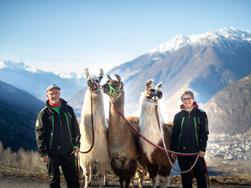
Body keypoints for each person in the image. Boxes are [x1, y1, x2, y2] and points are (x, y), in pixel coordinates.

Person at [35, 84, 80, 188]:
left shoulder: (69, 110)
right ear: (47, 96)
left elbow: (76, 129)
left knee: (73, 180)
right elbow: (39, 134)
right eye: (51, 94)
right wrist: (43, 153)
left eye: (56, 93)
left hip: (69, 152)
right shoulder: (43, 113)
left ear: (60, 94)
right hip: (52, 154)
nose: (54, 96)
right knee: (54, 181)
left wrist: (77, 145)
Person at [171, 90, 209, 188]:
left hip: (197, 153)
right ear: (182, 101)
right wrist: (173, 150)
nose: (187, 101)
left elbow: (204, 133)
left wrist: (202, 149)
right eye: (184, 99)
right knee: (186, 177)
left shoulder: (201, 114)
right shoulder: (178, 116)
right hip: (182, 153)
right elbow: (175, 134)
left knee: (200, 176)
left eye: (189, 98)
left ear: (193, 99)